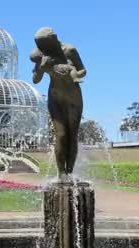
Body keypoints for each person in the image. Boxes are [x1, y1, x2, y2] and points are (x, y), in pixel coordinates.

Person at [31, 27, 86, 175]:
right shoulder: (42, 55)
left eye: (44, 45)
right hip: (55, 97)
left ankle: (70, 172)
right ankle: (61, 174)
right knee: (61, 135)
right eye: (40, 46)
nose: (42, 49)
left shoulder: (69, 50)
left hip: (73, 97)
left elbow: (83, 70)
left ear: (54, 40)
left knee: (72, 136)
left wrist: (72, 74)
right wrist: (42, 67)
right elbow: (35, 80)